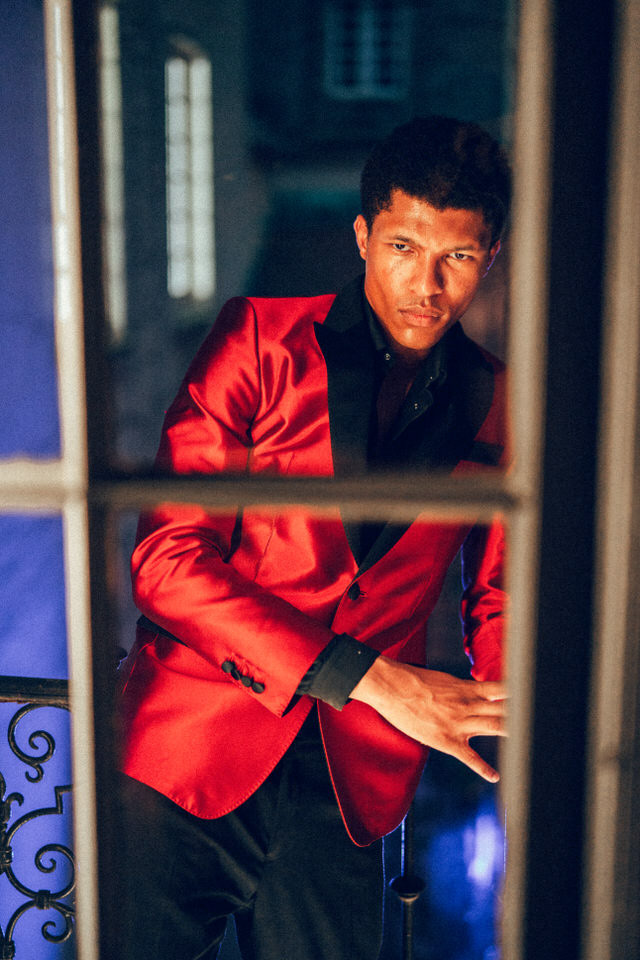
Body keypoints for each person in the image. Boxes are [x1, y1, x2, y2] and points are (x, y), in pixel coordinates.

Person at [117, 114, 511, 960]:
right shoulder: (258, 339)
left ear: (490, 257)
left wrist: (519, 714)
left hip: (348, 791)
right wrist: (368, 677)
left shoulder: (500, 400)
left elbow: (500, 595)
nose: (427, 284)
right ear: (364, 236)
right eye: (404, 247)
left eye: (458, 256)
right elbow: (168, 563)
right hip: (187, 753)